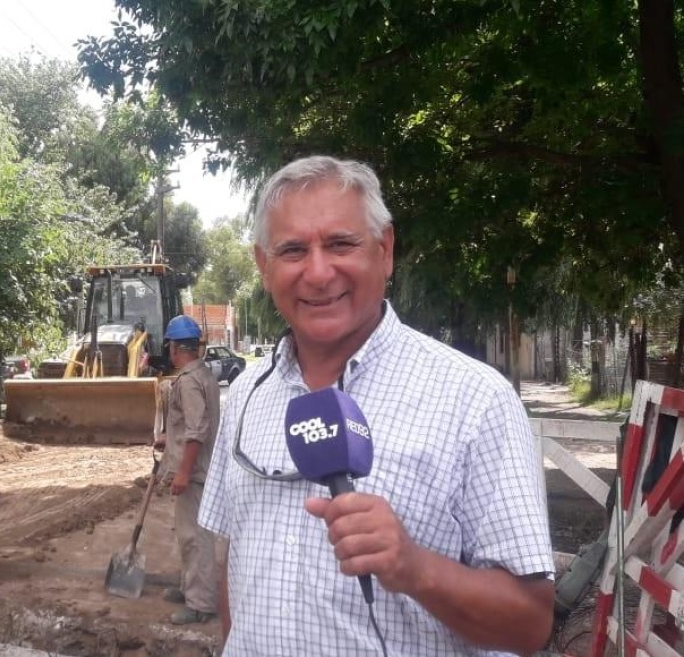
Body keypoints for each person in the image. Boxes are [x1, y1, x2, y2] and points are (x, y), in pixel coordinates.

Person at [197, 156, 554, 655]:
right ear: (264, 266)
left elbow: (530, 624)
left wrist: (415, 567)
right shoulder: (247, 396)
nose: (318, 273)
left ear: (384, 250)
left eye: (341, 244)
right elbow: (235, 566)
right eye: (293, 250)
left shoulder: (476, 401)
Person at [158, 314, 222, 625]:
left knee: (196, 537)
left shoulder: (187, 381)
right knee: (188, 535)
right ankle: (190, 587)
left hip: (195, 474)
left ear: (173, 347)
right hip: (199, 469)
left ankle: (200, 604)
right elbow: (190, 425)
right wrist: (166, 438)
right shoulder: (203, 375)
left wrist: (182, 472)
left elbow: (197, 430)